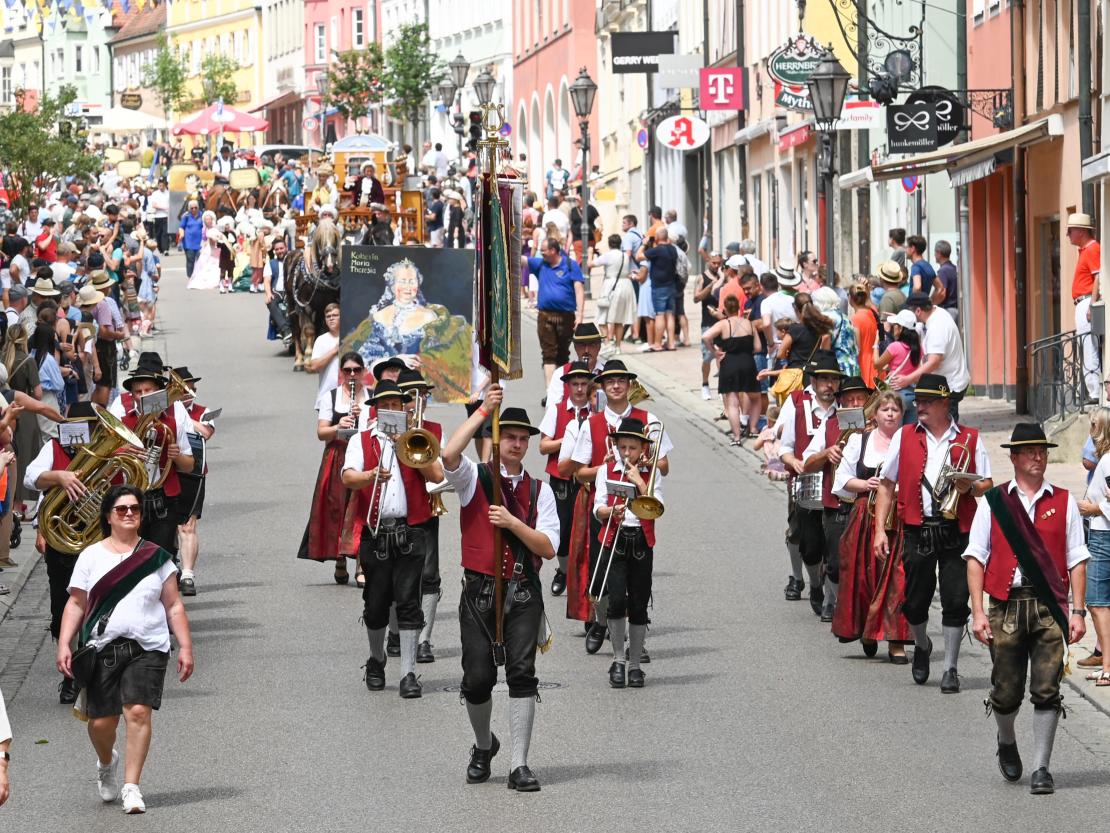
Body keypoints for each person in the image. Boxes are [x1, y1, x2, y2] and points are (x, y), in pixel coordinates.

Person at [440, 386, 558, 792]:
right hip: (479, 592)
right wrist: (481, 412)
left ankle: (519, 764)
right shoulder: (476, 477)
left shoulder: (540, 491)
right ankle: (483, 744)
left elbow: (548, 546)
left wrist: (512, 523)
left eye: (524, 439)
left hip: (523, 591)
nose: (518, 444)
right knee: (476, 679)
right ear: (497, 437)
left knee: (523, 673)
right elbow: (449, 455)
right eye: (511, 436)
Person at [55, 485, 194, 815]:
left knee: (137, 712)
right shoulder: (91, 556)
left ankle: (132, 787)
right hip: (102, 648)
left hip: (149, 645)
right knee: (102, 723)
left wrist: (185, 645)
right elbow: (76, 603)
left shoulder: (157, 557)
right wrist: (64, 643)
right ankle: (107, 761)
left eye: (134, 508)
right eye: (122, 509)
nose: (130, 513)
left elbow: (173, 605)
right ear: (108, 516)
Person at [967, 423, 1088, 795]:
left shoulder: (1065, 501)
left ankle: (1041, 768)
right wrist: (978, 612)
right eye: (1030, 451)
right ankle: (1006, 739)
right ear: (1014, 457)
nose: (1039, 456)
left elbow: (1077, 558)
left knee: (1047, 687)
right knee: (1006, 691)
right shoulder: (995, 502)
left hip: (1050, 605)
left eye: (1043, 450)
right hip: (1006, 604)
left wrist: (1078, 611)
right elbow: (975, 557)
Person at [873, 373, 993, 692]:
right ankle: (922, 644)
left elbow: (987, 485)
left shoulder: (969, 437)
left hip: (957, 530)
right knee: (914, 602)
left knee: (956, 600)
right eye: (918, 400)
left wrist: (970, 486)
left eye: (926, 401)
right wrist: (879, 532)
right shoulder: (904, 436)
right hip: (917, 528)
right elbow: (886, 485)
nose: (919, 405)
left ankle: (951, 668)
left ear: (944, 403)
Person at [342, 381, 444, 699]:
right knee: (375, 605)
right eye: (385, 404)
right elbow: (348, 477)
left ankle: (408, 674)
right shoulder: (362, 441)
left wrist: (409, 448)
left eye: (397, 404)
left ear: (403, 407)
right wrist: (372, 474)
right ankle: (376, 660)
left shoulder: (412, 440)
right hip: (376, 533)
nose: (392, 409)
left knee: (408, 603)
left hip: (410, 531)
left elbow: (437, 477)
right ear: (376, 409)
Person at [567, 360, 673, 654]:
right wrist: (607, 468)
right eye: (610, 381)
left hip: (637, 509)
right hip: (604, 506)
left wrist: (645, 465)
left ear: (629, 385)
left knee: (637, 584)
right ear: (601, 387)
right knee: (601, 578)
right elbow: (579, 473)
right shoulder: (592, 423)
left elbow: (664, 466)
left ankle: (635, 644)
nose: (616, 385)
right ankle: (601, 622)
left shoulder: (647, 417)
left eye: (621, 380)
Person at [24, 402, 101, 702]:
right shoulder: (53, 447)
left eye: (87, 427)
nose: (80, 434)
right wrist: (59, 477)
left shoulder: (105, 451)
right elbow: (31, 477)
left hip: (96, 540)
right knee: (62, 609)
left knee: (96, 605)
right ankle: (70, 673)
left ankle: (91, 671)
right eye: (74, 427)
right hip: (62, 541)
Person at [830, 391, 910, 662]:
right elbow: (841, 480)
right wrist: (865, 485)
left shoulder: (910, 441)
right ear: (874, 414)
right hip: (866, 515)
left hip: (899, 516)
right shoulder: (859, 440)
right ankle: (868, 628)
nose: (890, 414)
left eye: (895, 410)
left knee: (898, 578)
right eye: (885, 409)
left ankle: (896, 640)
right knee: (866, 577)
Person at [594, 417, 663, 689]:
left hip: (641, 543)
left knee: (638, 604)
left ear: (642, 449)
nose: (627, 454)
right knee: (616, 603)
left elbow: (658, 507)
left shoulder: (650, 473)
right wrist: (610, 512)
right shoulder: (606, 469)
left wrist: (640, 484)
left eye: (632, 448)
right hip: (615, 538)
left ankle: (635, 664)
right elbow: (597, 506)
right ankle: (618, 660)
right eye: (623, 447)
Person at [799, 374, 872, 622]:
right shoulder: (829, 426)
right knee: (834, 558)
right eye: (849, 399)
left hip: (870, 504)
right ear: (841, 402)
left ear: (868, 401)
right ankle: (834, 599)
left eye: (859, 398)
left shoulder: (880, 428)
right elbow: (807, 462)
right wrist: (826, 453)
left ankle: (854, 608)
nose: (854, 403)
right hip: (838, 504)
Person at [109, 355, 195, 554]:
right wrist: (122, 451)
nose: (143, 396)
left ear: (159, 392)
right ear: (132, 394)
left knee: (160, 558)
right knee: (128, 557)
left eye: (148, 391)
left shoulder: (176, 411)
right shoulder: (120, 409)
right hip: (127, 495)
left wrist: (176, 456)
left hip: (162, 498)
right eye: (138, 392)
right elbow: (106, 453)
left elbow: (189, 465)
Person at [778, 352, 843, 610]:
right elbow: (785, 446)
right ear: (813, 382)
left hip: (837, 485)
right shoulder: (796, 403)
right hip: (805, 482)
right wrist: (794, 463)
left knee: (833, 542)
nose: (830, 385)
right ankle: (811, 581)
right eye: (824, 380)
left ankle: (829, 597)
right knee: (805, 539)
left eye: (834, 380)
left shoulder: (845, 407)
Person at [299, 352, 368, 584]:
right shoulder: (332, 396)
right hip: (338, 455)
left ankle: (361, 564)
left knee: (361, 509)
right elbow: (321, 433)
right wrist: (339, 426)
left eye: (356, 370)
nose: (352, 375)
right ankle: (340, 557)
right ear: (341, 372)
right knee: (337, 508)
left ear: (363, 372)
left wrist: (365, 420)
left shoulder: (371, 396)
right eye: (347, 370)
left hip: (364, 455)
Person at [396, 369, 445, 663]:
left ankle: (424, 639)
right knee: (394, 579)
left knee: (429, 577)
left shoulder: (436, 430)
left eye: (421, 396)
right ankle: (395, 632)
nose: (416, 402)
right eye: (410, 397)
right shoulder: (385, 427)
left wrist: (417, 447)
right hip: (396, 512)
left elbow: (439, 475)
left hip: (425, 511)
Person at [539, 362, 593, 597]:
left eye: (583, 384)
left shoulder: (596, 411)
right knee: (562, 529)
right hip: (560, 478)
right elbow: (543, 446)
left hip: (587, 477)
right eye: (575, 384)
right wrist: (570, 439)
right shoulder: (557, 410)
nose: (580, 389)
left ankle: (585, 576)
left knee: (588, 530)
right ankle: (563, 570)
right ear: (568, 386)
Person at [895, 292, 970, 422]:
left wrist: (907, 379)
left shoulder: (937, 328)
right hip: (951, 382)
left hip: (949, 387)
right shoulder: (938, 313)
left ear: (918, 311)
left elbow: (933, 362)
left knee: (944, 427)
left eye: (910, 311)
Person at [524, 238, 585, 388]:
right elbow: (521, 260)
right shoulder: (540, 264)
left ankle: (561, 390)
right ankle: (550, 391)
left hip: (566, 316)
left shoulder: (570, 265)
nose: (541, 252)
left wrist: (580, 314)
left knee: (563, 354)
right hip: (545, 316)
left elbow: (579, 290)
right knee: (548, 353)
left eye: (544, 250)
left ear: (553, 250)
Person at [173, 368, 213, 597]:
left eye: (193, 389)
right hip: (166, 471)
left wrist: (182, 414)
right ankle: (171, 563)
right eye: (186, 389)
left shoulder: (202, 411)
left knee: (188, 524)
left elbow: (205, 433)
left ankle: (188, 575)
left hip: (193, 474)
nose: (191, 393)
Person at [702, 295, 763, 445]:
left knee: (732, 402)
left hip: (729, 362)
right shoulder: (749, 324)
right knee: (755, 397)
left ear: (724, 309)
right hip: (748, 362)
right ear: (739, 308)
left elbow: (706, 336)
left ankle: (736, 437)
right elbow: (758, 347)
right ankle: (754, 428)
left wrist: (714, 351)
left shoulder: (723, 324)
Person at [1079, 406, 1110, 686]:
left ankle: (1108, 666)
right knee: (1099, 602)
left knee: (1098, 602)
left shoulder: (1108, 461)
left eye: (1092, 426)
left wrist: (1093, 508)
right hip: (1099, 532)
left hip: (1103, 535)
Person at [1067, 213, 1102, 400]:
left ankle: (1094, 391)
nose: (1068, 234)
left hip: (1087, 300)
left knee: (1089, 346)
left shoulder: (1092, 249)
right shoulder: (1086, 250)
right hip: (1083, 302)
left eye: (1070, 230)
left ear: (1081, 231)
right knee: (1085, 344)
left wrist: (1092, 305)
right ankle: (1092, 390)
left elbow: (1098, 276)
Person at [542, 322, 604, 410]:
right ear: (575, 347)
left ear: (599, 347)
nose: (586, 350)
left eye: (592, 345)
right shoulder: (561, 373)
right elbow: (552, 409)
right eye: (582, 345)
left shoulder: (607, 373)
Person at [875, 309, 921, 422]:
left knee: (895, 435)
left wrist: (875, 344)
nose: (893, 327)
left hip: (896, 396)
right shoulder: (918, 348)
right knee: (909, 434)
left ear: (900, 328)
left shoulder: (894, 347)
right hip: (913, 395)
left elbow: (877, 365)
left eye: (895, 325)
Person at [594, 234, 636, 349]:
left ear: (609, 244)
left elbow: (591, 264)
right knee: (619, 319)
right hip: (626, 285)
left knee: (602, 317)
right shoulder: (625, 256)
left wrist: (589, 254)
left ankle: (607, 343)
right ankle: (618, 346)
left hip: (610, 285)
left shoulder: (607, 256)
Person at [695, 252, 726, 400]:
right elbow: (696, 298)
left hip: (722, 322)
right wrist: (711, 285)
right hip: (707, 322)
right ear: (708, 262)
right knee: (707, 357)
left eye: (719, 263)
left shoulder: (724, 277)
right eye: (714, 263)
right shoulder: (702, 277)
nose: (717, 266)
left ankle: (721, 387)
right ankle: (705, 384)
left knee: (721, 355)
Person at [849, 282, 880, 388]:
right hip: (876, 361)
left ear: (851, 299)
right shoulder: (873, 312)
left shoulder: (855, 319)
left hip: (863, 365)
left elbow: (856, 348)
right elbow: (871, 304)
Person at [308, 303, 341, 399]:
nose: (331, 318)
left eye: (335, 315)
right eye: (328, 316)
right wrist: (334, 351)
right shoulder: (321, 340)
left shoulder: (350, 337)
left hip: (347, 398)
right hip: (326, 396)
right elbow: (314, 366)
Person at [177, 201, 204, 280]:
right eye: (192, 208)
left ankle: (200, 276)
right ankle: (190, 276)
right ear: (189, 208)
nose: (194, 209)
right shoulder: (186, 216)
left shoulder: (202, 215)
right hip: (189, 242)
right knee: (190, 259)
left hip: (200, 242)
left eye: (196, 208)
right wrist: (181, 234)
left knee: (200, 260)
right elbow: (181, 227)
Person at [934, 240, 958, 324]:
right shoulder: (954, 268)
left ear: (938, 253)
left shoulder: (943, 271)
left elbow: (942, 292)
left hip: (947, 310)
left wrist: (931, 304)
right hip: (956, 309)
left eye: (935, 252)